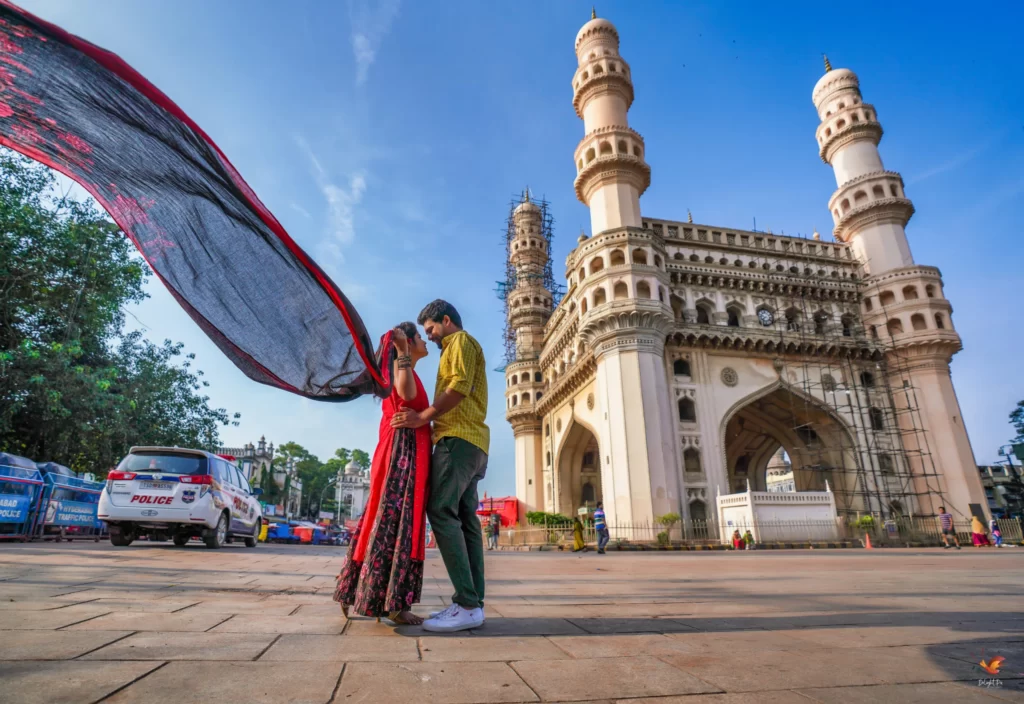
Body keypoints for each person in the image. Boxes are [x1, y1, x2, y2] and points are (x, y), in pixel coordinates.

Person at [392, 300, 489, 633]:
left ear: (446, 321)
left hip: (456, 440)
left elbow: (458, 386)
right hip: (474, 442)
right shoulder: (462, 345)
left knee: (441, 511)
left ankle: (466, 603)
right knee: (465, 519)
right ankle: (473, 604)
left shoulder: (460, 342)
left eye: (431, 329)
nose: (429, 336)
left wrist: (423, 417)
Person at [333, 323, 431, 626]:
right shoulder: (400, 371)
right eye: (420, 336)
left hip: (401, 450)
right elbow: (406, 394)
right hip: (403, 453)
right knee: (396, 520)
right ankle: (392, 603)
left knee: (384, 517)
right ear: (408, 342)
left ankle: (359, 593)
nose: (425, 340)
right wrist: (403, 352)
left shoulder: (398, 371)